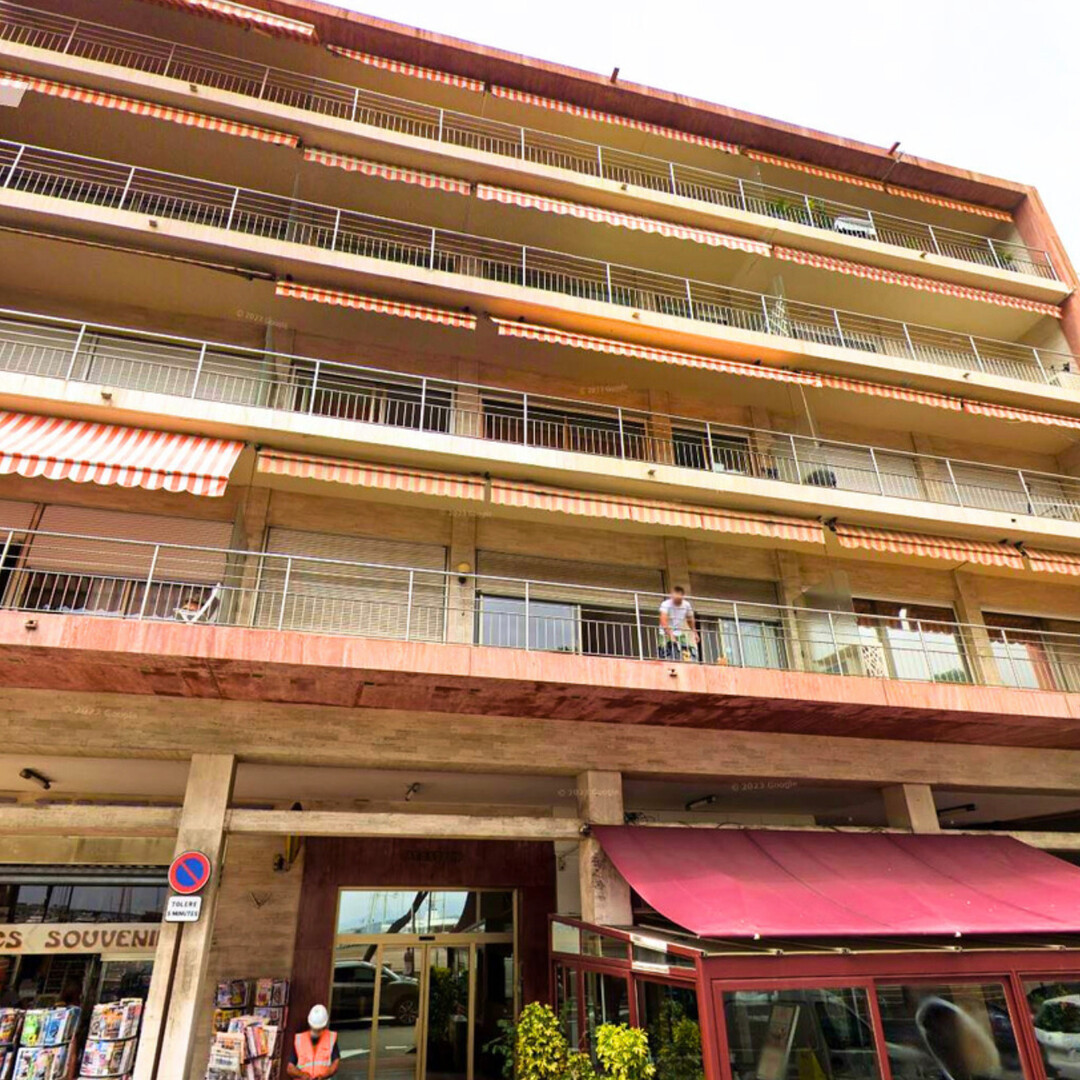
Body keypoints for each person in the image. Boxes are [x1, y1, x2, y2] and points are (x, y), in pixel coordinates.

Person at [288, 1005, 340, 1079]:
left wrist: (323, 1076)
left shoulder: (331, 1038)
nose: (315, 1032)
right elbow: (290, 1068)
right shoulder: (300, 1039)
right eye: (314, 1029)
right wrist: (302, 1075)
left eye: (318, 1029)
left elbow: (335, 1064)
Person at [658, 586, 698, 661]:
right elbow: (663, 620)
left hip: (679, 632)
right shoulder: (666, 604)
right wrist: (670, 635)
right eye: (674, 597)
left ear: (682, 597)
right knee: (666, 651)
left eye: (678, 598)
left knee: (685, 650)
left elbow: (690, 619)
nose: (675, 600)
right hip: (664, 633)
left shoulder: (686, 605)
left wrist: (694, 632)